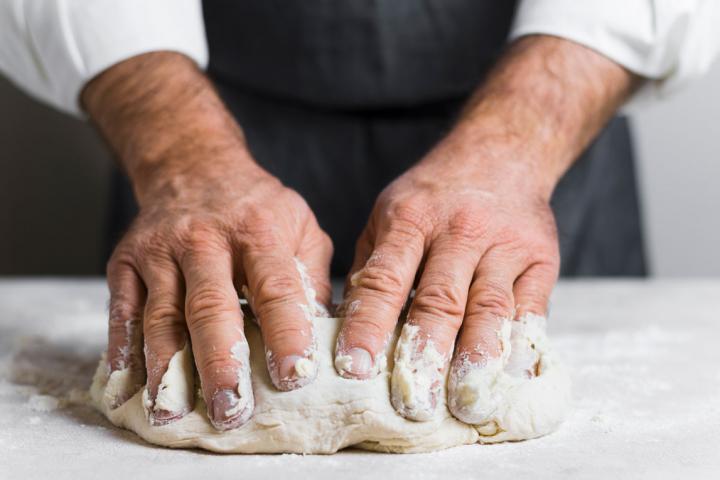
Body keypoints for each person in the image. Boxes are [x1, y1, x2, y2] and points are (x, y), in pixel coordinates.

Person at [1, 0, 718, 430]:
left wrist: (515, 143)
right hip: (204, 128)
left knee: (490, 371)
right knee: (191, 369)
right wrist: (179, 155)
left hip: (541, 135)